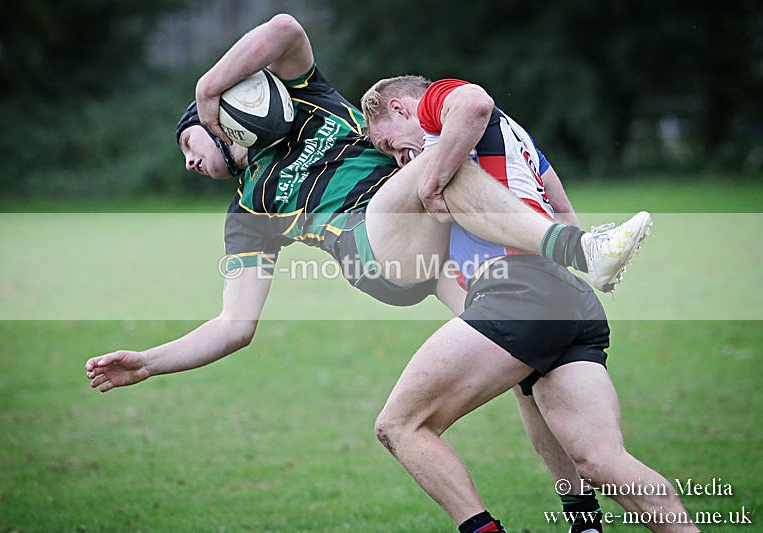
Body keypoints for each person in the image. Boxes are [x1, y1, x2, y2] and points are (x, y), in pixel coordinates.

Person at [86, 14, 651, 531]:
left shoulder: (313, 100)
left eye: (189, 142)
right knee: (438, 162)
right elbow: (235, 325)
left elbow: (284, 27)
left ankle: (582, 517)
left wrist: (206, 91)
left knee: (531, 367)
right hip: (374, 246)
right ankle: (577, 249)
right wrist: (148, 363)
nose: (188, 161)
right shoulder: (249, 211)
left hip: (436, 258)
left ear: (229, 117)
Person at [361, 75, 697, 533]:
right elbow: (560, 208)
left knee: (400, 426)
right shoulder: (517, 138)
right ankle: (593, 525)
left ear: (401, 109)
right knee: (602, 460)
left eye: (389, 143)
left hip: (517, 292)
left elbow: (475, 102)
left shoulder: (436, 112)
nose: (399, 158)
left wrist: (431, 184)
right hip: (567, 297)